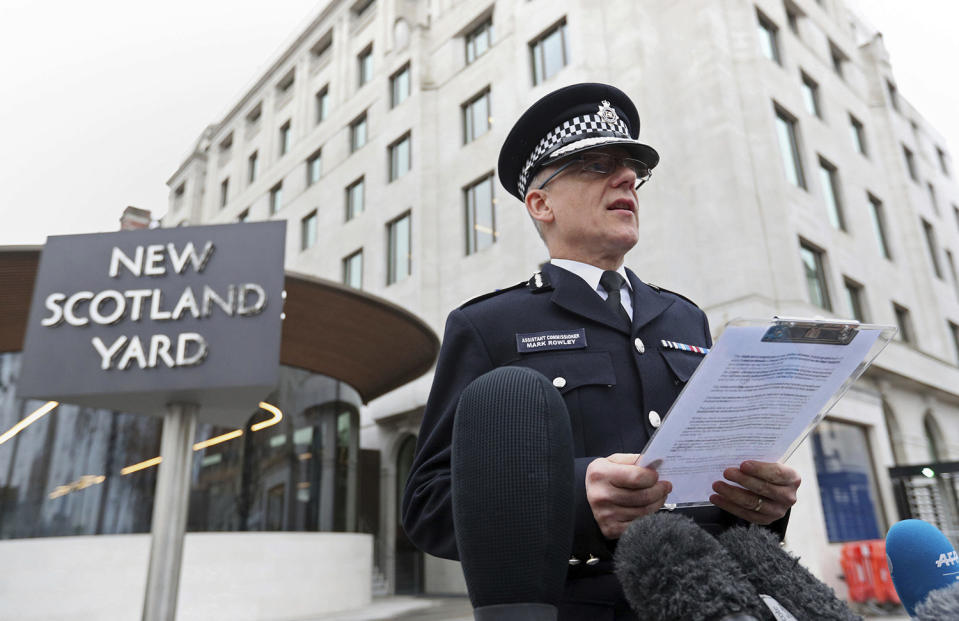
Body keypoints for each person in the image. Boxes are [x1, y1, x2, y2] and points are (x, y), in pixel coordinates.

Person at [402, 83, 801, 619]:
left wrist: (762, 504)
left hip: (719, 600)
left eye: (633, 169)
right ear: (540, 203)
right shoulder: (487, 326)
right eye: (594, 165)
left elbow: (710, 477)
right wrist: (573, 502)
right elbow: (429, 503)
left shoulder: (684, 316)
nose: (626, 179)